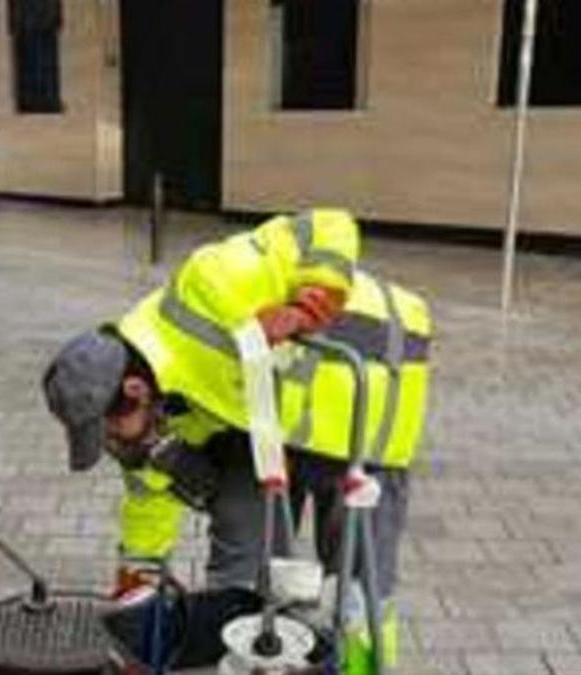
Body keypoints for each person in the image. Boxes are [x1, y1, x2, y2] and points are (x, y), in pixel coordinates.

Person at [43, 210, 430, 666]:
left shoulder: (211, 282)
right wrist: (138, 571)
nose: (114, 447)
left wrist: (310, 305)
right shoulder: (156, 389)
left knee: (357, 592)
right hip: (275, 428)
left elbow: (328, 226)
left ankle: (363, 667)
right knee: (252, 574)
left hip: (372, 397)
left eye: (110, 434)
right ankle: (260, 653)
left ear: (135, 391)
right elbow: (150, 482)